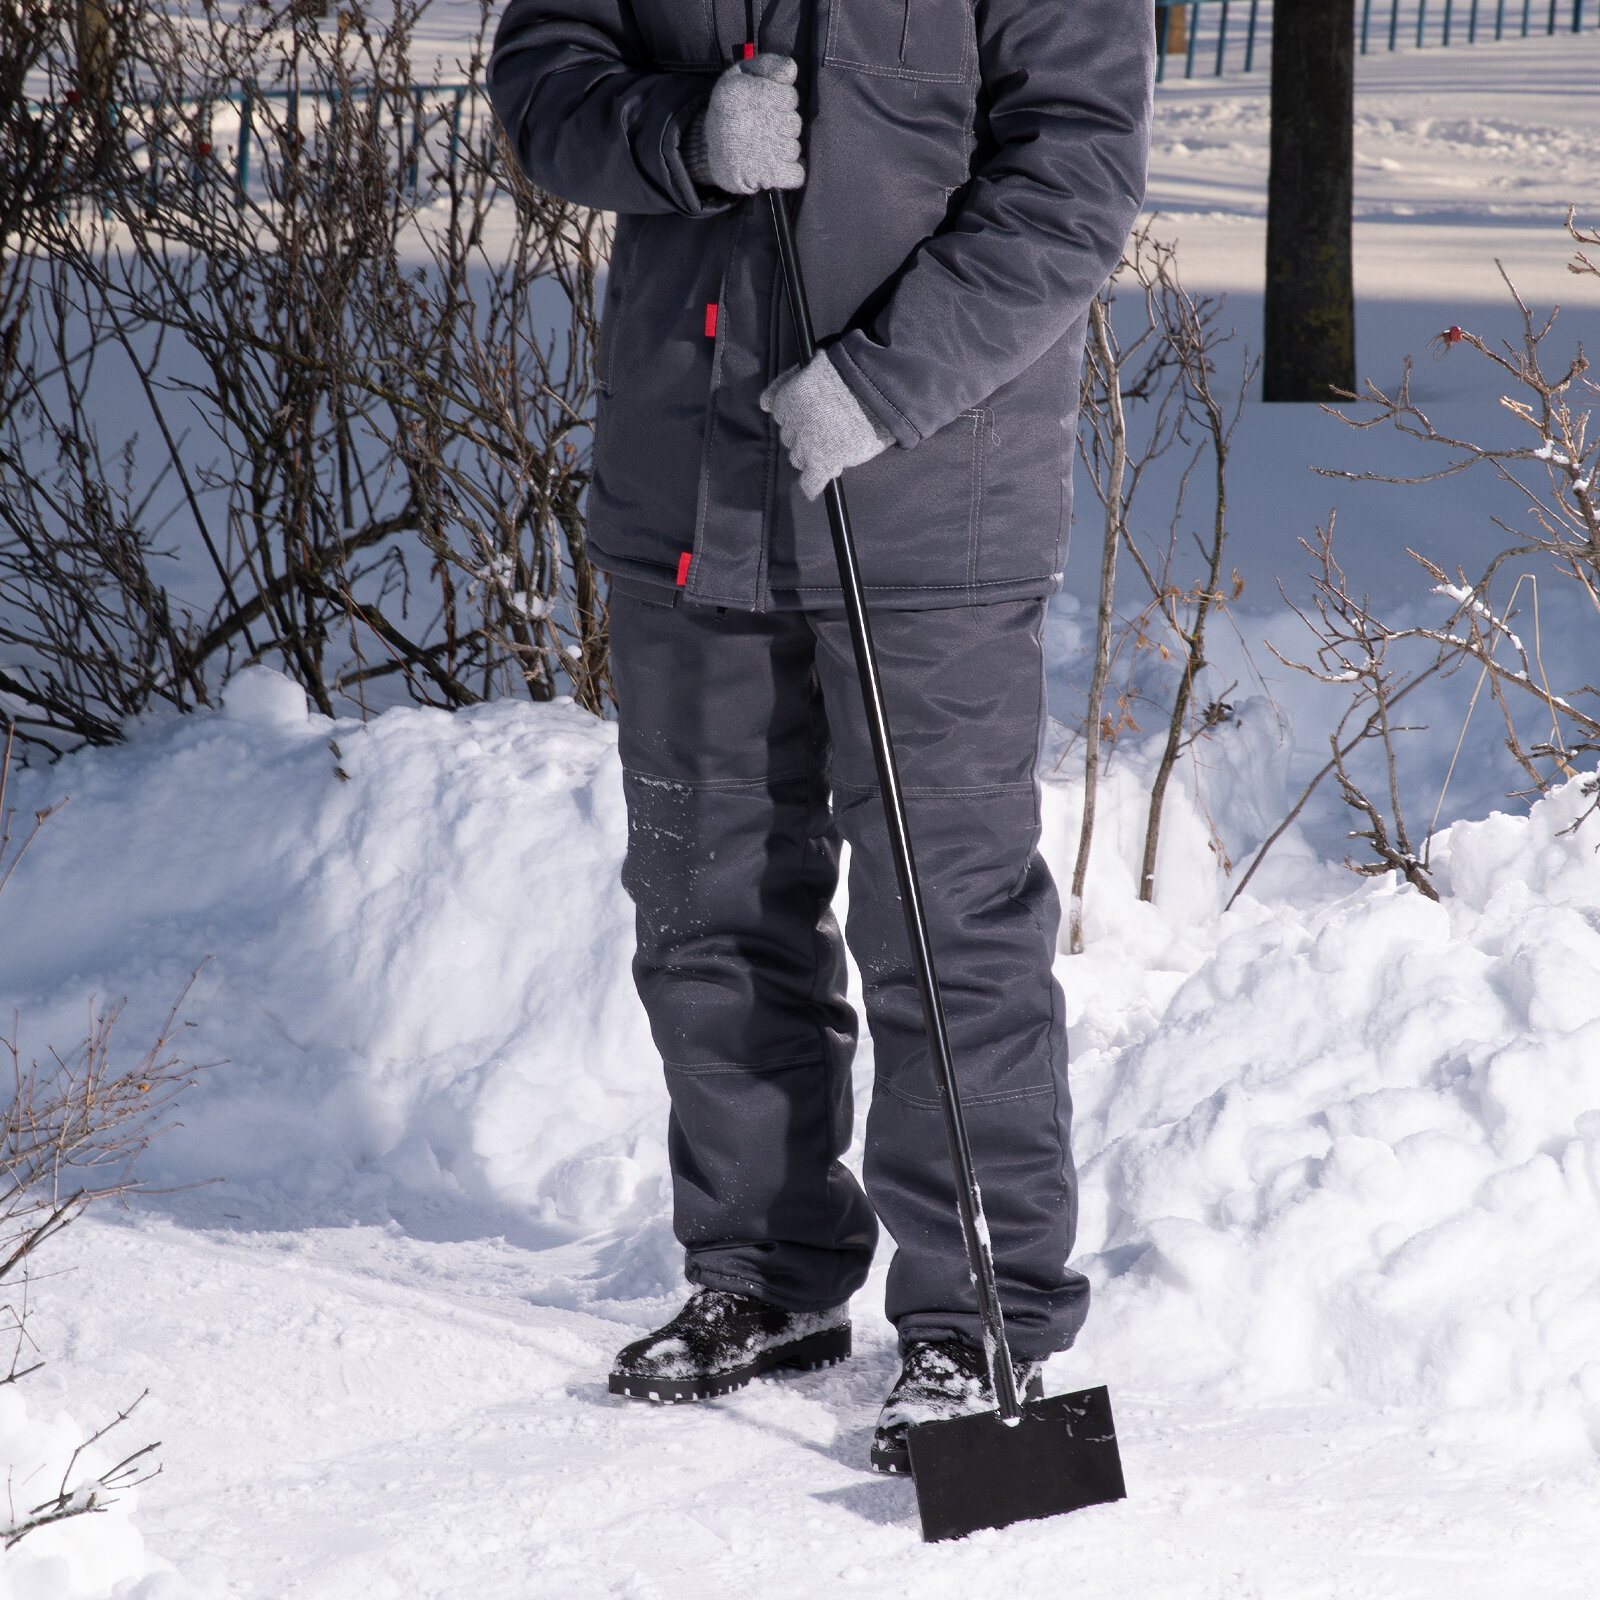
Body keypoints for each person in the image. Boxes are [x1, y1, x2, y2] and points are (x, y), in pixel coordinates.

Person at [489, 0, 1152, 1475]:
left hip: (930, 490)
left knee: (944, 917)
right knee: (707, 897)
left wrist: (885, 380)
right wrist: (683, 135)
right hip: (685, 486)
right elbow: (545, 87)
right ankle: (767, 1276)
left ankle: (982, 1323)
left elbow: (1074, 173)